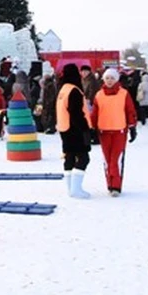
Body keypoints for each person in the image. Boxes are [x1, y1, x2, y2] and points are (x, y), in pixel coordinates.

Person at [89, 68, 137, 197]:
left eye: (112, 78)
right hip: (103, 131)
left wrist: (132, 127)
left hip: (119, 131)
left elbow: (130, 110)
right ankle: (109, 184)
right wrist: (92, 128)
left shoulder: (124, 94)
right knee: (107, 160)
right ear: (103, 80)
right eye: (107, 78)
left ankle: (116, 186)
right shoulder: (99, 95)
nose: (109, 81)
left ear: (116, 80)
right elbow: (94, 114)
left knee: (116, 159)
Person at [57, 64, 93, 199]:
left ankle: (70, 188)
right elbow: (76, 113)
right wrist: (85, 129)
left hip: (63, 128)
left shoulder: (63, 89)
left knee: (69, 157)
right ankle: (76, 189)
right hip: (75, 129)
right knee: (83, 157)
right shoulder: (74, 90)